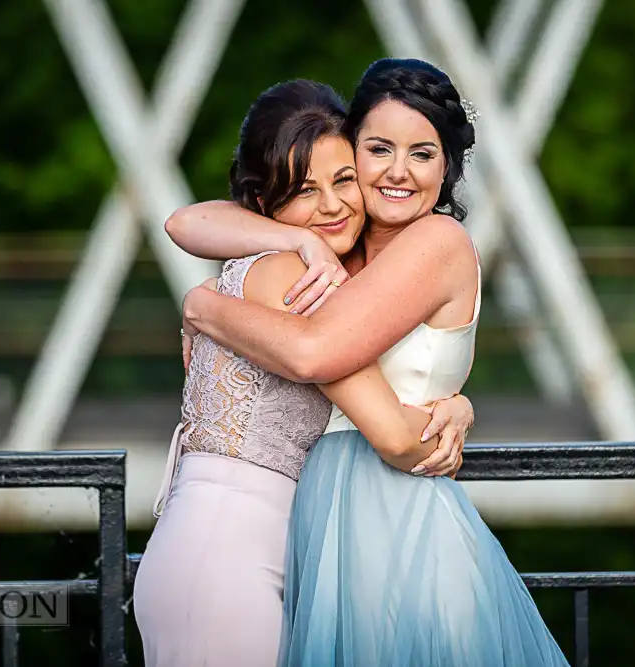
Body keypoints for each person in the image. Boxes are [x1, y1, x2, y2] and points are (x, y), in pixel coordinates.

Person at [173, 59, 571, 666]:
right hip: (327, 530)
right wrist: (295, 238)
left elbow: (316, 352)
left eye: (423, 154)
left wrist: (204, 305)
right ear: (352, 151)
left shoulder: (438, 243)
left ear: (449, 167)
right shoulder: (338, 245)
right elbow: (186, 222)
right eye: (379, 148)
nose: (398, 173)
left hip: (398, 524)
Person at [132, 78, 476, 667]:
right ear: (264, 203)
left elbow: (191, 224)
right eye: (304, 190)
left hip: (245, 548)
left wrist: (458, 404)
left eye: (344, 180)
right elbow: (385, 427)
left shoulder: (301, 263)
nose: (334, 205)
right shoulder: (297, 278)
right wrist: (206, 303)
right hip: (225, 555)